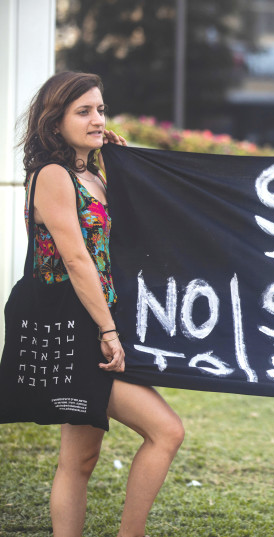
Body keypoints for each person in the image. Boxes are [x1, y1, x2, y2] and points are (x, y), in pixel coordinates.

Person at [20, 71, 185, 537]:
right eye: (83, 112)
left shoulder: (90, 173)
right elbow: (76, 258)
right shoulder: (52, 176)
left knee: (78, 460)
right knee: (166, 432)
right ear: (55, 123)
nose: (97, 119)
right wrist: (108, 332)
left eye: (100, 109)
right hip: (76, 327)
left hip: (94, 324)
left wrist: (119, 158)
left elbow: (130, 228)